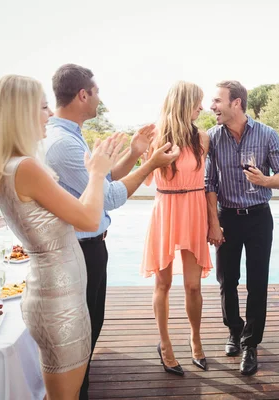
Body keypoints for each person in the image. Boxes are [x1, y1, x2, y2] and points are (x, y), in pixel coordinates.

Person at [0, 74, 124, 399]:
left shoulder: (11, 166)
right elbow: (87, 216)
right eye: (43, 107)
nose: (50, 114)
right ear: (21, 113)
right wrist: (97, 173)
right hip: (60, 301)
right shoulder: (27, 168)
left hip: (56, 293)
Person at [43, 64, 180, 399]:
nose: (99, 98)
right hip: (79, 251)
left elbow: (103, 183)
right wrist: (150, 164)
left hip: (90, 248)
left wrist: (134, 152)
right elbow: (112, 197)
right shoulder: (63, 145)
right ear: (82, 95)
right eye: (97, 91)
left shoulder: (72, 137)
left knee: (90, 330)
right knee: (80, 340)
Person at [205, 80, 279, 376]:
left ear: (236, 103)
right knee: (226, 280)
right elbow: (209, 183)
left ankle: (251, 343)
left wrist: (265, 181)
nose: (211, 106)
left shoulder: (267, 134)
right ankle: (234, 330)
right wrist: (213, 222)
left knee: (258, 282)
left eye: (217, 101)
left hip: (258, 217)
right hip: (226, 217)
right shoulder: (212, 138)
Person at [141, 81, 213, 375]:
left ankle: (195, 339)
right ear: (184, 103)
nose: (202, 107)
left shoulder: (203, 138)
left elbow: (207, 182)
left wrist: (213, 220)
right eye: (198, 102)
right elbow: (145, 179)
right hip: (167, 210)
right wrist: (148, 154)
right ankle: (165, 343)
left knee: (193, 285)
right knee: (163, 284)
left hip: (194, 209)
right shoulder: (155, 137)